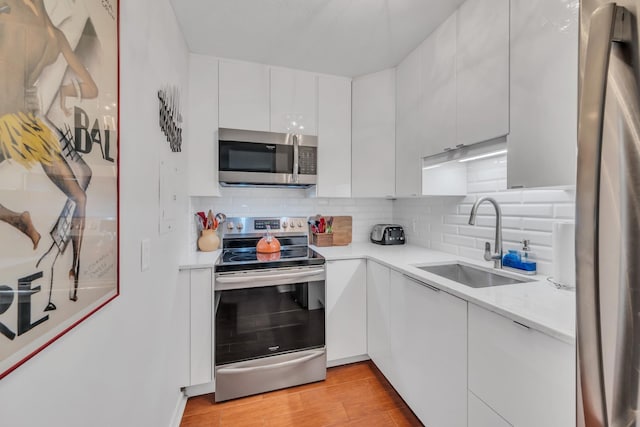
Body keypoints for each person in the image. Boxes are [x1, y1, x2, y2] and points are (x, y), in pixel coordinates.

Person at [0, 0, 98, 300]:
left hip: (6, 122)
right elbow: (91, 87)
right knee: (79, 195)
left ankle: (18, 219)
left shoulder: (8, 8)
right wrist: (70, 91)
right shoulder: (56, 35)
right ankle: (76, 268)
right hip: (27, 127)